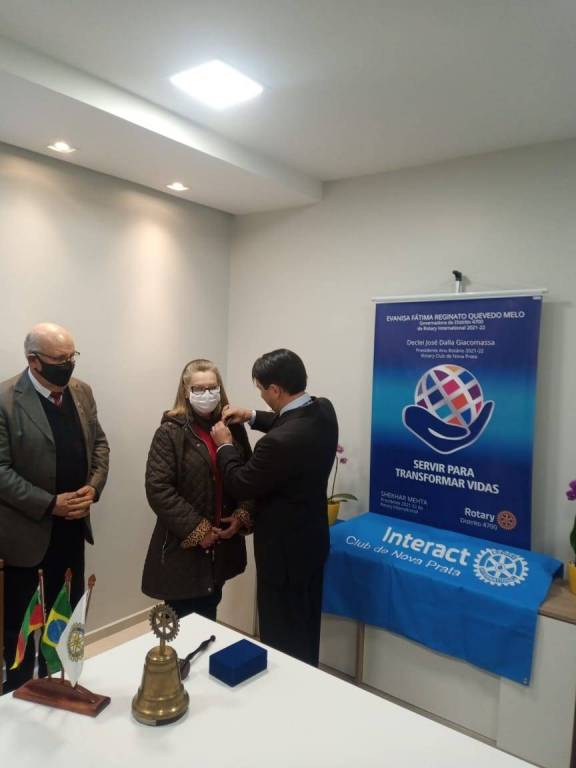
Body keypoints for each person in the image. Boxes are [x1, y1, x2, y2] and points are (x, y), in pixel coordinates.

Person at [0, 322, 109, 693]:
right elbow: (1, 471)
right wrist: (50, 504)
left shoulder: (82, 392)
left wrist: (93, 488)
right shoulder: (6, 400)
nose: (69, 365)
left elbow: (99, 445)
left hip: (72, 530)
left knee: (66, 619)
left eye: (72, 356)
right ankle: (18, 695)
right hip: (26, 538)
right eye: (60, 359)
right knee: (20, 625)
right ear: (34, 361)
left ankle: (64, 685)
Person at [211, 349, 338, 666]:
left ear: (276, 390)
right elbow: (288, 421)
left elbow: (241, 483)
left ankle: (285, 686)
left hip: (282, 557)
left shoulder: (277, 443)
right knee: (305, 627)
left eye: (261, 390)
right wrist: (252, 416)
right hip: (312, 544)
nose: (261, 396)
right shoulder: (323, 409)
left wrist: (224, 444)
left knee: (281, 634)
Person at [142, 359, 252, 621]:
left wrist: (241, 515)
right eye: (199, 389)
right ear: (186, 391)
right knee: (182, 620)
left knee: (209, 612)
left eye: (212, 387)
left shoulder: (233, 428)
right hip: (183, 546)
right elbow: (158, 489)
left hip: (223, 545)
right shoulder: (170, 432)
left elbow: (248, 477)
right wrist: (199, 530)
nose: (206, 394)